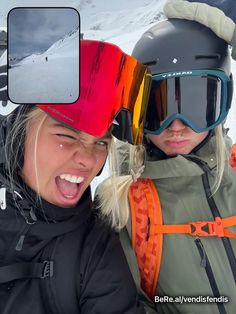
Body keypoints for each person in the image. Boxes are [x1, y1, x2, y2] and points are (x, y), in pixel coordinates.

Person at [96, 16, 236, 314]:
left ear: (222, 101)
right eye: (157, 108)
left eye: (196, 104)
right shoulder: (123, 204)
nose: (176, 127)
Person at [0, 39, 151, 314]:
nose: (88, 159)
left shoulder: (95, 249)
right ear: (19, 134)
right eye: (66, 136)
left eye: (101, 143)